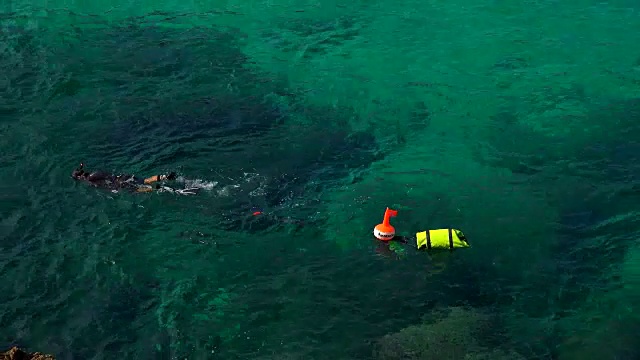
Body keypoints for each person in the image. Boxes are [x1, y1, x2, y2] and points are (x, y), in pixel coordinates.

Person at [71, 162, 179, 193]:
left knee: (137, 190)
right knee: (146, 180)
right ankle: (165, 177)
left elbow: (106, 183)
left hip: (120, 183)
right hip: (122, 177)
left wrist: (114, 188)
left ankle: (159, 188)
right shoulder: (91, 175)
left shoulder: (90, 180)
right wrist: (81, 167)